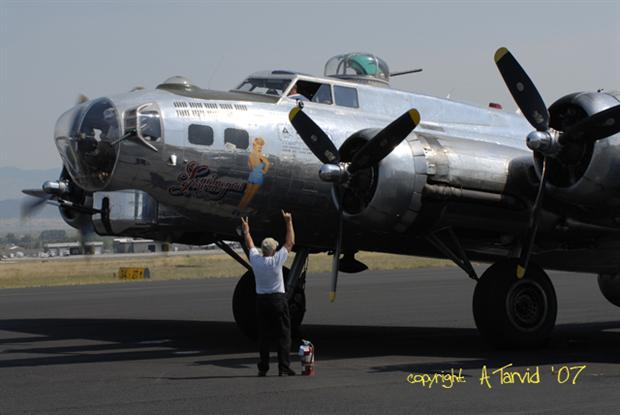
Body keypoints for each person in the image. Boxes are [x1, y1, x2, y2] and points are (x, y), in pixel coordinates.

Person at [241, 211, 296, 377]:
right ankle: (283, 367)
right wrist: (289, 221)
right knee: (283, 335)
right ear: (273, 250)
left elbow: (250, 245)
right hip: (278, 300)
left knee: (264, 336)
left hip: (261, 301)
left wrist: (246, 231)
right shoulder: (276, 260)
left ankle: (263, 368)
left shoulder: (256, 260)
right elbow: (290, 242)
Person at [238, 137, 270, 212]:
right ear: (255, 145)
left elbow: (250, 166)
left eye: (261, 145)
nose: (260, 147)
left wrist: (254, 168)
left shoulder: (251, 155)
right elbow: (267, 163)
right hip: (258, 176)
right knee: (251, 194)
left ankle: (239, 208)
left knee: (247, 193)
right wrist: (264, 171)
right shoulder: (260, 155)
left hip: (252, 175)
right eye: (259, 145)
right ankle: (242, 209)